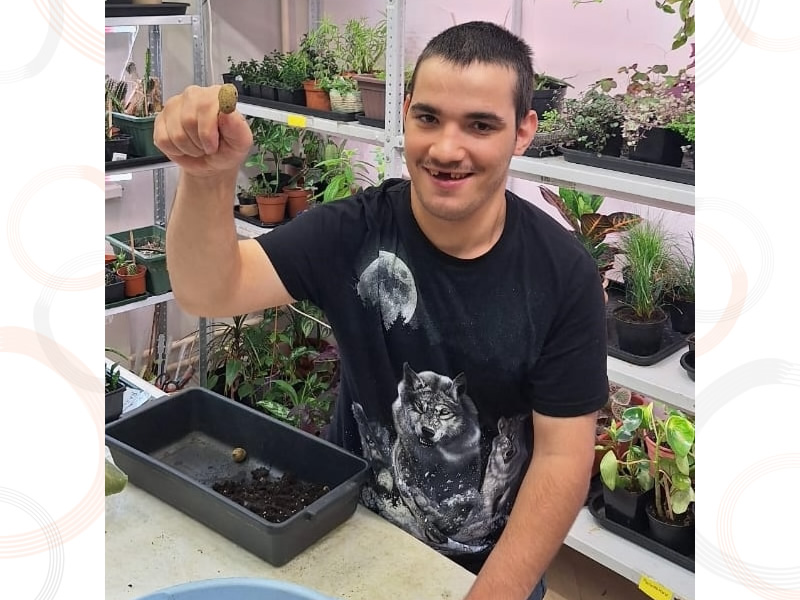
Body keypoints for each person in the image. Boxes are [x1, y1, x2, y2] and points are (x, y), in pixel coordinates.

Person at [155, 20, 608, 600]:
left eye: (480, 125)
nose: (446, 149)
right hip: (346, 534)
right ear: (405, 113)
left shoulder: (561, 275)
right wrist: (208, 179)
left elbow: (562, 457)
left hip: (484, 570)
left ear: (523, 131)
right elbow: (209, 291)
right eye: (429, 118)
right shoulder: (355, 232)